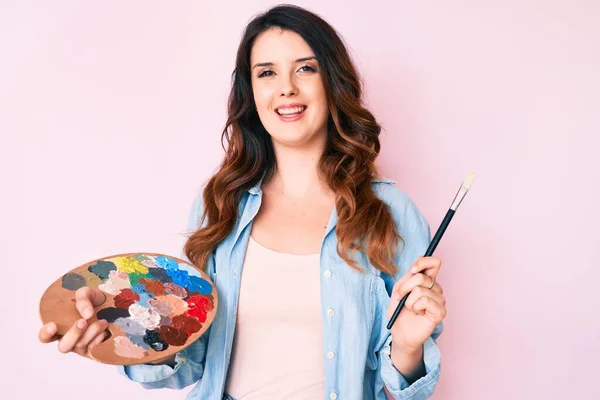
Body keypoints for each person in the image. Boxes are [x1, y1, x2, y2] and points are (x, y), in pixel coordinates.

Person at [38, 4, 446, 400]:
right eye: (266, 72)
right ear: (251, 91)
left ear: (332, 82)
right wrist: (117, 332)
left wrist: (408, 346)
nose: (286, 87)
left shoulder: (390, 211)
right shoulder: (218, 205)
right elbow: (190, 361)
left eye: (305, 68)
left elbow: (407, 387)